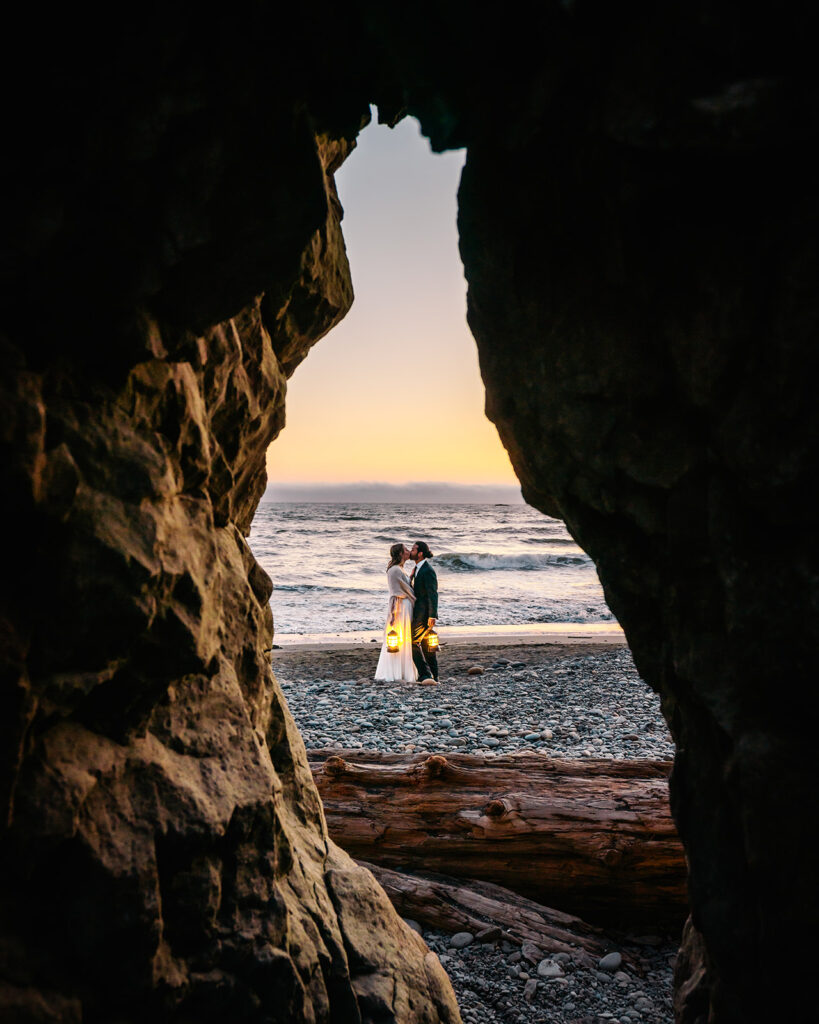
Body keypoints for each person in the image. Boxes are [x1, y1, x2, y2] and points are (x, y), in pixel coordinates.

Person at [374, 543, 417, 682]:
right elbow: (399, 591)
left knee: (405, 636)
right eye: (405, 549)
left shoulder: (401, 569)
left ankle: (404, 670)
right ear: (400, 553)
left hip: (404, 605)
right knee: (400, 635)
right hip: (400, 607)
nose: (409, 551)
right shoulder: (395, 570)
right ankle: (396, 672)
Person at [409, 540, 438, 684]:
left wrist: (432, 615)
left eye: (413, 549)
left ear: (420, 553)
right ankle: (434, 674)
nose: (411, 551)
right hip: (420, 612)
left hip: (424, 613)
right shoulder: (418, 568)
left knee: (412, 641)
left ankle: (424, 674)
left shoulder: (427, 570)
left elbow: (433, 594)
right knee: (425, 644)